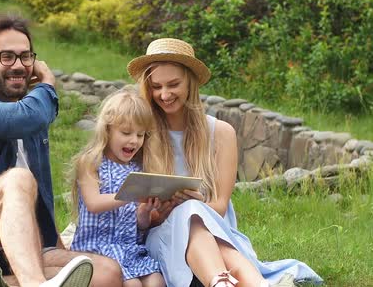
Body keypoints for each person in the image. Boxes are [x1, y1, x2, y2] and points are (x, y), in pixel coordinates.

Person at [0, 13, 123, 287]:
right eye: (7, 57)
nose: (19, 65)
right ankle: (34, 284)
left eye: (26, 57)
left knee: (106, 272)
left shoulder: (31, 114)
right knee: (18, 178)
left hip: (11, 247)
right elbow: (27, 119)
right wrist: (48, 83)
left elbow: (38, 197)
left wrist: (55, 245)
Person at [126, 38, 323, 287]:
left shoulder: (221, 132)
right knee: (189, 213)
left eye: (173, 84)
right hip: (161, 236)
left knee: (193, 211)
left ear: (190, 82)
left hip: (217, 232)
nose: (164, 95)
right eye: (156, 87)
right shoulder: (141, 133)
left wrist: (196, 202)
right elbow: (130, 208)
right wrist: (154, 215)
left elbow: (218, 207)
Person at [69, 88, 167, 287]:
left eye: (140, 135)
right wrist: (131, 194)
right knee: (132, 285)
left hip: (128, 249)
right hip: (97, 248)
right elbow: (94, 204)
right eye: (126, 133)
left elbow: (139, 224)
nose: (134, 140)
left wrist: (145, 212)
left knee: (157, 281)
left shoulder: (138, 169)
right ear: (107, 130)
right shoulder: (91, 162)